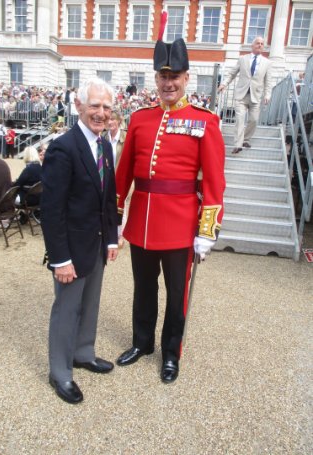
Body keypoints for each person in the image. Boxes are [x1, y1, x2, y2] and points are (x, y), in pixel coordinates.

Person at [115, 36, 225, 383]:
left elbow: (214, 182)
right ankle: (142, 342)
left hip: (180, 226)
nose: (168, 83)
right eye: (162, 76)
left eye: (174, 75)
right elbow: (123, 173)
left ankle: (170, 353)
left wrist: (207, 230)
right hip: (141, 223)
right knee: (143, 288)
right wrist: (116, 214)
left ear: (187, 78)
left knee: (177, 295)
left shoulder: (204, 121)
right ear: (156, 79)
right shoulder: (140, 119)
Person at [40, 77, 118, 404]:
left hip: (97, 245)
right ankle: (60, 372)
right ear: (79, 106)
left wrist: (111, 239)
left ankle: (83, 353)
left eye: (106, 107)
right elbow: (51, 208)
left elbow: (108, 198)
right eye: (95, 106)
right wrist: (60, 259)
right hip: (70, 250)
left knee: (90, 305)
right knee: (66, 311)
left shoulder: (103, 144)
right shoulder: (64, 146)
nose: (100, 113)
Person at [218, 36, 273, 154]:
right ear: (252, 45)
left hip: (256, 96)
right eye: (258, 43)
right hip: (241, 96)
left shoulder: (267, 63)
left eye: (262, 44)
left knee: (254, 120)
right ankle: (238, 145)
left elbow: (268, 81)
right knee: (240, 119)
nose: (260, 45)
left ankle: (246, 139)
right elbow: (232, 74)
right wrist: (224, 84)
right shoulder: (242, 59)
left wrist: (267, 95)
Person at [102, 110, 127, 247]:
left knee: (120, 206)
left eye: (112, 119)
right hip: (106, 177)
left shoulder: (125, 137)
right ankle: (108, 232)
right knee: (107, 205)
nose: (110, 122)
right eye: (108, 120)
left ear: (119, 121)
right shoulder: (103, 136)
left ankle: (119, 235)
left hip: (120, 177)